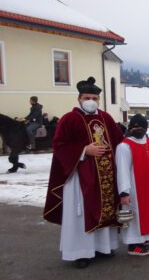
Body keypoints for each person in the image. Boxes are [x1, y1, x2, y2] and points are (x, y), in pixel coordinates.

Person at [43, 77, 124, 269]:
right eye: (87, 97)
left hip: (105, 175)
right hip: (80, 176)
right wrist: (84, 150)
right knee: (81, 214)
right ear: (79, 99)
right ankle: (81, 252)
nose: (91, 101)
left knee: (106, 209)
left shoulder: (106, 117)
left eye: (95, 98)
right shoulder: (69, 119)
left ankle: (103, 247)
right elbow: (59, 145)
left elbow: (119, 140)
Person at [116, 114, 149, 256]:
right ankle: (134, 245)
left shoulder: (147, 141)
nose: (139, 129)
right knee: (135, 215)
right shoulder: (124, 146)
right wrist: (124, 192)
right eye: (135, 126)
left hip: (147, 187)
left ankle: (145, 237)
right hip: (133, 189)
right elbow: (122, 170)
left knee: (147, 212)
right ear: (130, 127)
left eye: (142, 126)